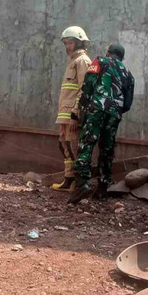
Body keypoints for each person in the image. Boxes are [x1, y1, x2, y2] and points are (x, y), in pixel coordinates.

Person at [69, 41, 135, 204]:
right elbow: (127, 104)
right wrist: (115, 110)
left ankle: (82, 185)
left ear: (108, 53)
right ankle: (103, 188)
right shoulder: (128, 74)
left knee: (86, 144)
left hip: (96, 108)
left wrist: (82, 109)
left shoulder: (100, 61)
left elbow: (88, 84)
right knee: (107, 148)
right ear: (123, 57)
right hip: (115, 113)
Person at [52, 26, 92, 191]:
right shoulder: (73, 62)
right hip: (64, 114)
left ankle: (79, 182)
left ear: (79, 42)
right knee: (65, 144)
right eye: (66, 43)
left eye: (70, 43)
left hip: (72, 114)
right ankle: (68, 179)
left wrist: (76, 113)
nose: (67, 47)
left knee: (74, 146)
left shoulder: (82, 61)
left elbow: (84, 89)